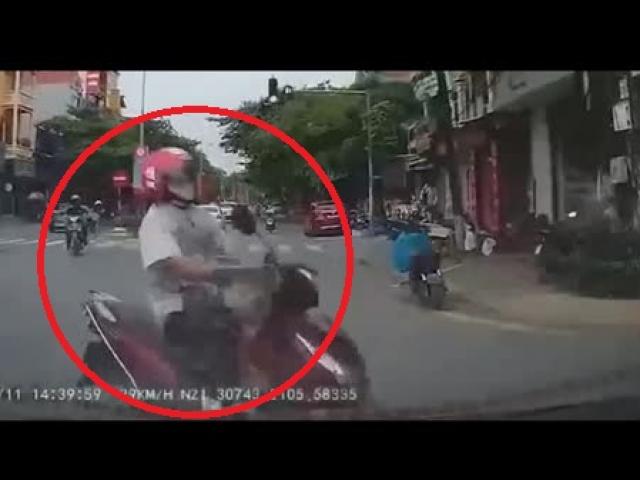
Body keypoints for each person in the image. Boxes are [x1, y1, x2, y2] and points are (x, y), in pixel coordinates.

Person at [138, 147, 244, 389]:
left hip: (209, 302)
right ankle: (202, 397)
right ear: (162, 180)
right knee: (203, 350)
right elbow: (172, 265)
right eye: (183, 175)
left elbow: (227, 253)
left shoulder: (203, 217)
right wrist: (217, 272)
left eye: (190, 174)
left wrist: (252, 268)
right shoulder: (156, 219)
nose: (191, 180)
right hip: (173, 305)